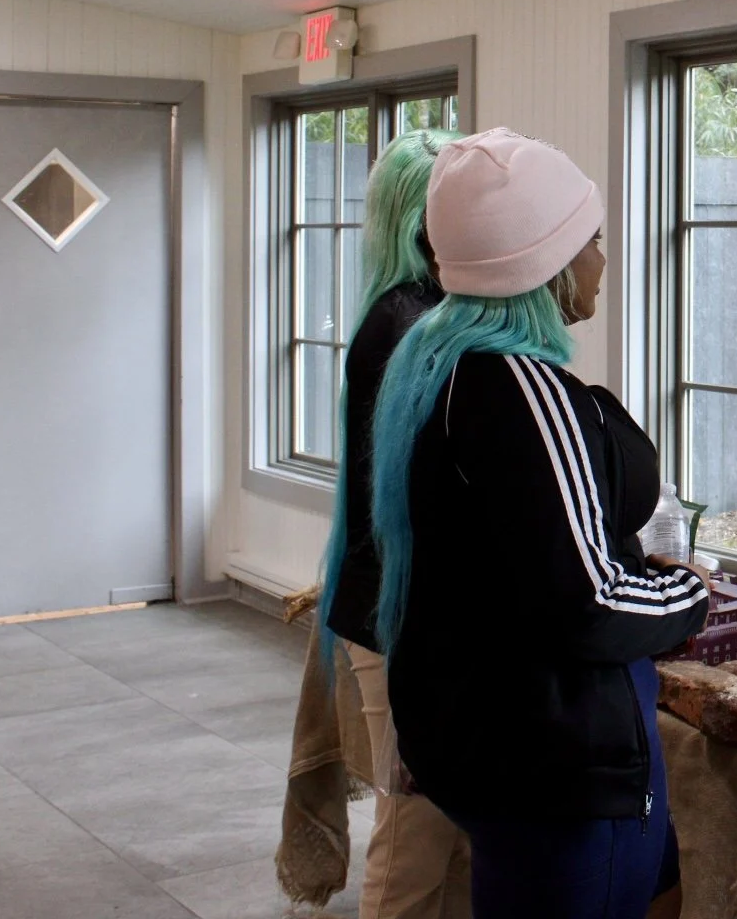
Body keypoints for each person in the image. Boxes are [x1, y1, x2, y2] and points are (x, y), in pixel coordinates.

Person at [372, 128, 709, 919]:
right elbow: (586, 602)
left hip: (487, 747)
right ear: (546, 264)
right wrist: (689, 598)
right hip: (556, 766)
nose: (603, 259)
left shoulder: (434, 367)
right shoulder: (526, 393)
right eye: (592, 240)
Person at [313, 127, 471, 919]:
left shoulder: (413, 312)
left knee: (444, 831)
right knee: (412, 831)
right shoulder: (410, 323)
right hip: (395, 614)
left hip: (395, 607)